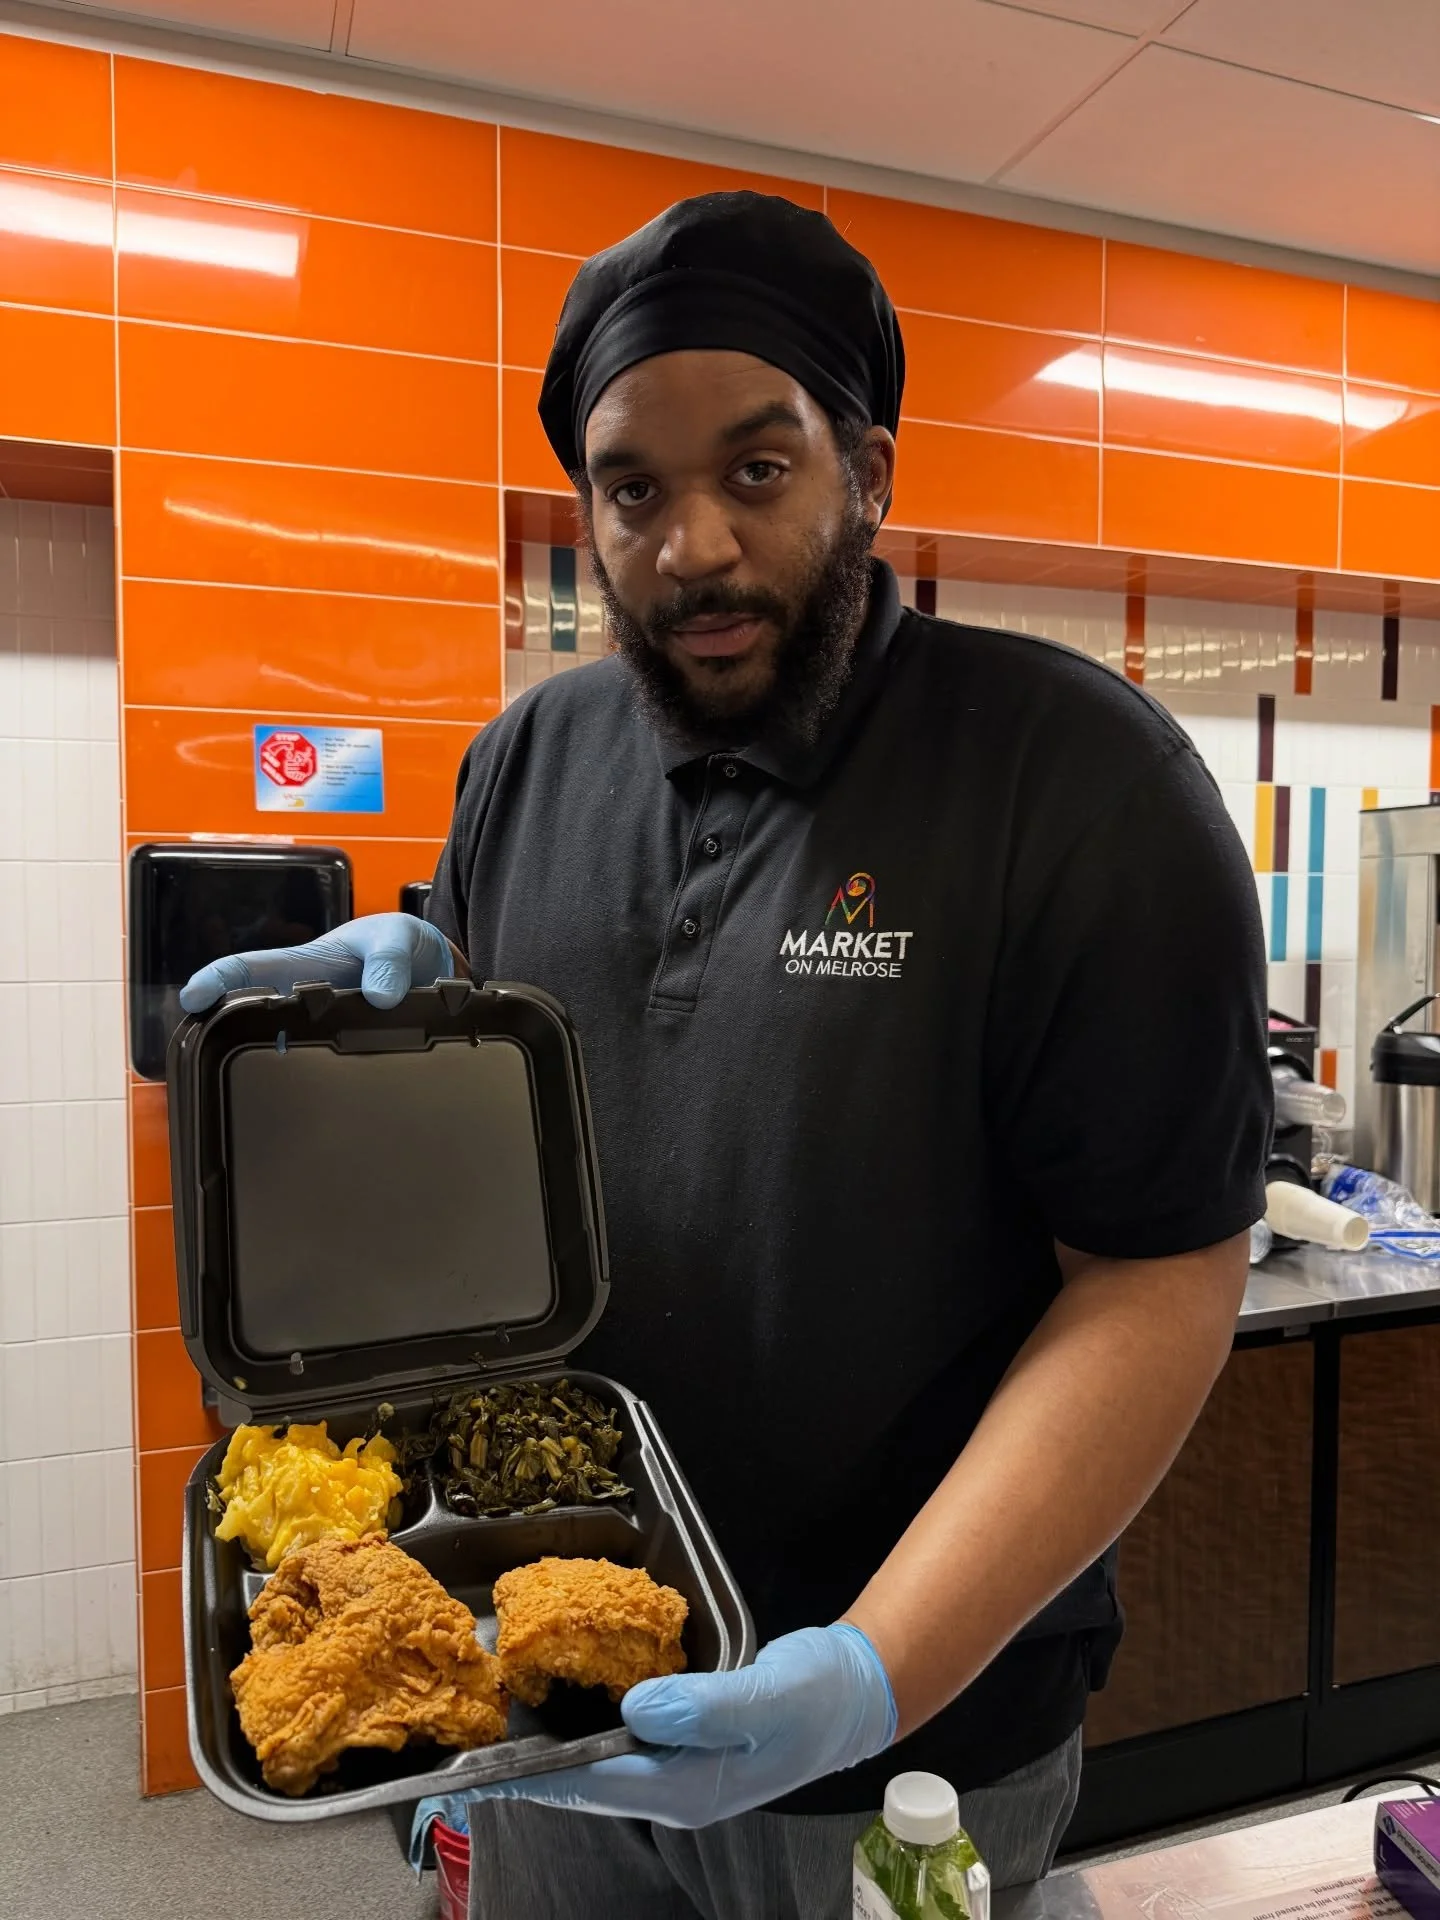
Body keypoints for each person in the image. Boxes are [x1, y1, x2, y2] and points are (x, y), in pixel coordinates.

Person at [181, 192, 1272, 1920]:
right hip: (553, 1702)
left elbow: (1157, 1279)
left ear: (872, 472)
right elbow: (500, 1127)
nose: (690, 545)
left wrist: (873, 1668)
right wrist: (365, 1044)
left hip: (907, 1751)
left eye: (757, 470)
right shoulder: (529, 757)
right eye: (633, 489)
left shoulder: (1080, 786)